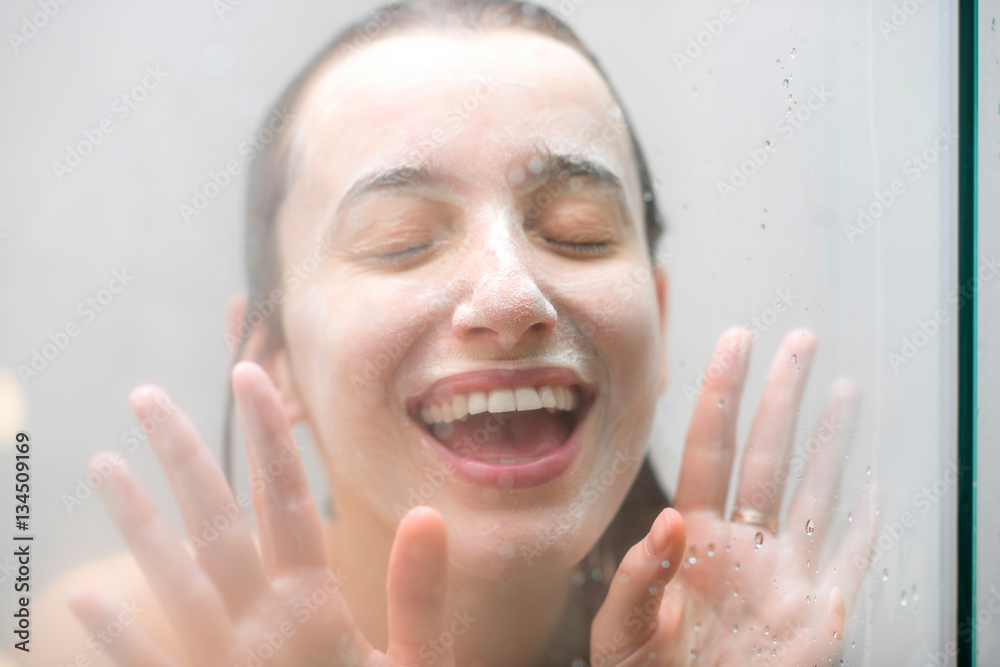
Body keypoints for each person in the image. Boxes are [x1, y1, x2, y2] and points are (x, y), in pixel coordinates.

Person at [29, 1, 874, 665]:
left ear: (657, 320)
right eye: (400, 240)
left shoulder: (769, 643)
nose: (512, 292)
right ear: (273, 363)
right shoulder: (118, 645)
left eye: (577, 231)